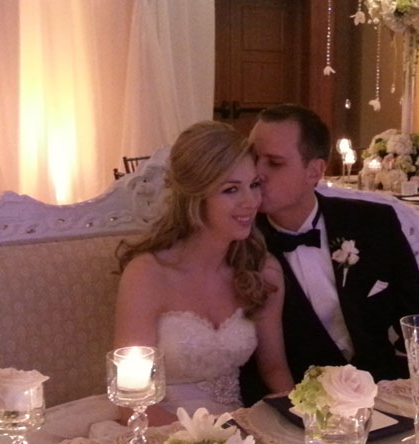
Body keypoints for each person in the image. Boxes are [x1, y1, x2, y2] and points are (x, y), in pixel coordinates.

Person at [240, 104, 419, 404]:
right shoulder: (240, 241)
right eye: (253, 158)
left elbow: (417, 317)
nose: (256, 173)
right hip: (292, 401)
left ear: (314, 171)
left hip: (382, 394)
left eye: (274, 163)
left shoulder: (375, 223)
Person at [114, 121, 294, 418]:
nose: (250, 202)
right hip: (158, 434)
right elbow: (131, 405)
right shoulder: (147, 274)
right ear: (195, 197)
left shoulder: (263, 271)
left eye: (254, 185)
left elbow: (275, 370)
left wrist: (302, 422)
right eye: (231, 190)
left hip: (237, 435)